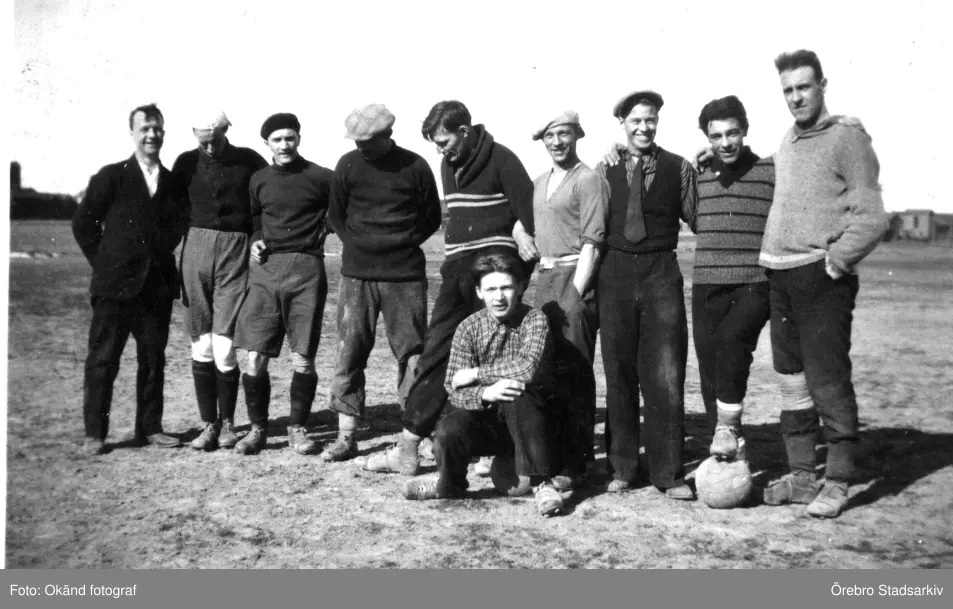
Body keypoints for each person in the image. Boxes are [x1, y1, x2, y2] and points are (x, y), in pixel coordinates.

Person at [363, 101, 536, 477]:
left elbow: (530, 217)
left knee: (493, 352)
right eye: (435, 145)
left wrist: (518, 240)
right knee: (436, 352)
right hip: (456, 272)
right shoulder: (447, 164)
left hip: (491, 272)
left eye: (444, 142)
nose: (441, 151)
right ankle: (408, 447)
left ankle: (493, 450)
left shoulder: (504, 160)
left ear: (465, 131)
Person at [760, 50, 887, 518]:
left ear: (822, 86)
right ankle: (802, 477)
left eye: (803, 87)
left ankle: (837, 481)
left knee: (827, 381)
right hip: (781, 277)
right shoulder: (788, 141)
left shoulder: (847, 138)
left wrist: (837, 261)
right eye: (788, 90)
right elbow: (780, 176)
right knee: (791, 382)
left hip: (821, 278)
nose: (795, 97)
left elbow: (872, 217)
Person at [322, 104, 442, 462]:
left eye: (368, 141)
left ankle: (416, 434)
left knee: (412, 353)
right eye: (356, 141)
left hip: (404, 276)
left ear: (388, 135)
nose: (361, 147)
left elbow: (431, 217)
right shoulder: (347, 165)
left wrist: (401, 244)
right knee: (349, 350)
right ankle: (346, 435)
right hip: (356, 275)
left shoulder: (415, 166)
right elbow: (336, 215)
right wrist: (360, 246)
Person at [401, 253, 564, 518]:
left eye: (506, 288)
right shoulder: (468, 328)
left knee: (517, 390)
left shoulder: (534, 320)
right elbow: (454, 388)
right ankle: (448, 484)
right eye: (491, 289)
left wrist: (476, 374)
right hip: (486, 422)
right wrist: (486, 393)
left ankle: (542, 484)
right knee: (450, 427)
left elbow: (527, 368)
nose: (499, 297)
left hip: (530, 426)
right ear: (479, 292)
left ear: (519, 288)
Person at [592, 90, 696, 499]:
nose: (643, 127)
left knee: (666, 373)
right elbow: (590, 222)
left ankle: (668, 472)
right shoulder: (605, 168)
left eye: (650, 119)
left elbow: (699, 218)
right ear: (622, 124)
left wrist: (707, 171)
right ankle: (622, 467)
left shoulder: (679, 167)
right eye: (635, 120)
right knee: (619, 373)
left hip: (660, 272)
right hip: (615, 272)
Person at [73, 103, 188, 455]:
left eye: (157, 129)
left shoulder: (173, 181)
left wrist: (157, 256)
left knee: (152, 361)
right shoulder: (111, 176)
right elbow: (84, 225)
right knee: (103, 360)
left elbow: (177, 226)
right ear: (132, 133)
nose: (152, 135)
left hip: (156, 288)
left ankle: (150, 428)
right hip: (114, 287)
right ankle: (96, 433)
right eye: (145, 129)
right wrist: (106, 263)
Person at [231, 113, 334, 456]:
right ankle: (257, 429)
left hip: (307, 270)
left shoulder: (321, 176)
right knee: (255, 355)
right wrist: (256, 238)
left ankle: (297, 428)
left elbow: (341, 212)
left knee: (302, 357)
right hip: (266, 271)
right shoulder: (259, 179)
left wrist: (325, 229)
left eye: (290, 137)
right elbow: (254, 216)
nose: (284, 145)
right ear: (267, 144)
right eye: (277, 139)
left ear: (299, 139)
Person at [171, 110, 267, 451]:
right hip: (195, 250)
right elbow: (171, 209)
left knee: (224, 344)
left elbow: (263, 205)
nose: (210, 148)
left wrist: (258, 236)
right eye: (203, 142)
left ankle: (227, 422)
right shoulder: (185, 163)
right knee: (201, 343)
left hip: (236, 252)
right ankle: (208, 424)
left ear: (226, 130)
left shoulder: (249, 161)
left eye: (215, 140)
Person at [691, 96, 775, 461]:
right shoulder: (698, 174)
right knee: (710, 368)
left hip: (753, 281)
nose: (725, 143)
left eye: (733, 133)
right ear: (707, 139)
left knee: (731, 343)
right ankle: (726, 446)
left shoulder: (770, 171)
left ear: (745, 130)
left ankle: (728, 429)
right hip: (706, 282)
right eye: (717, 136)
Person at [529, 111, 608, 490]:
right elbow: (525, 222)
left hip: (574, 277)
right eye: (550, 136)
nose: (557, 142)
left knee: (574, 370)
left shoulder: (588, 179)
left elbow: (593, 242)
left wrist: (575, 295)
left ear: (576, 135)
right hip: (543, 280)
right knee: (543, 370)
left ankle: (576, 464)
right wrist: (520, 236)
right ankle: (550, 455)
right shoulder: (539, 182)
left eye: (564, 134)